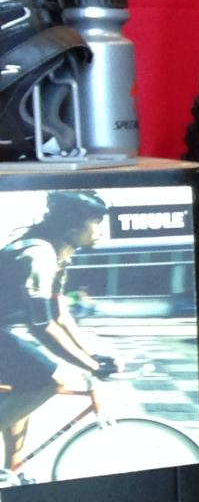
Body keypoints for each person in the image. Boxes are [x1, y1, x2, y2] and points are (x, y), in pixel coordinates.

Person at [0, 189, 115, 474]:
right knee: (51, 380)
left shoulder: (56, 253)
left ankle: (10, 473)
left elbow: (60, 314)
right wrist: (88, 364)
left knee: (26, 387)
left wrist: (92, 354)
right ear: (72, 224)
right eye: (96, 220)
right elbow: (42, 327)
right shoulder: (38, 255)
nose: (101, 228)